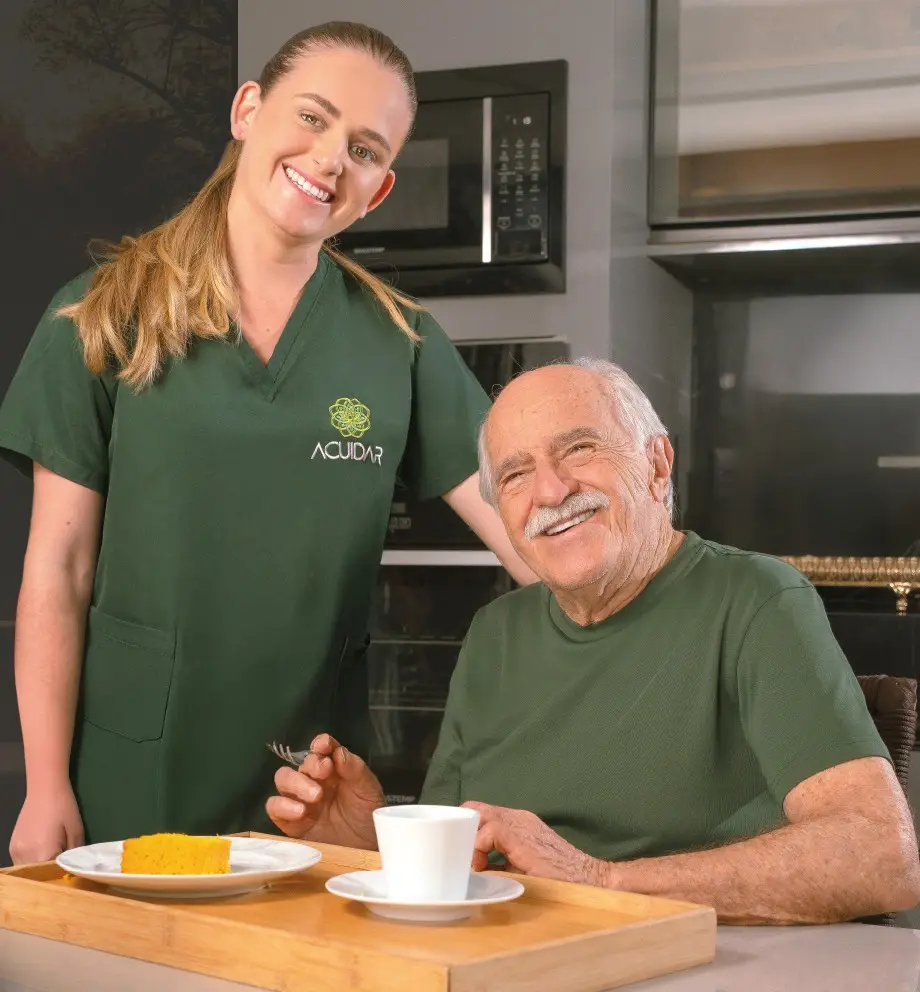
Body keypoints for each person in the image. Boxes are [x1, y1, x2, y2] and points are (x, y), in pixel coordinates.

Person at [0, 21, 537, 864]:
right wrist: (45, 784)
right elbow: (56, 572)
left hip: (312, 791)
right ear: (248, 109)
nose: (330, 160)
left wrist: (679, 608)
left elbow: (528, 531)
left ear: (380, 188)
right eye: (313, 119)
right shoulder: (99, 315)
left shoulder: (402, 344)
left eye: (364, 148)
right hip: (130, 777)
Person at [266, 358, 920, 925]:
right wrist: (369, 842)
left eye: (579, 449)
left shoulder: (757, 600)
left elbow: (879, 857)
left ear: (657, 463)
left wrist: (598, 881)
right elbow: (462, 868)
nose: (551, 491)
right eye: (516, 476)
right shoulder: (496, 634)